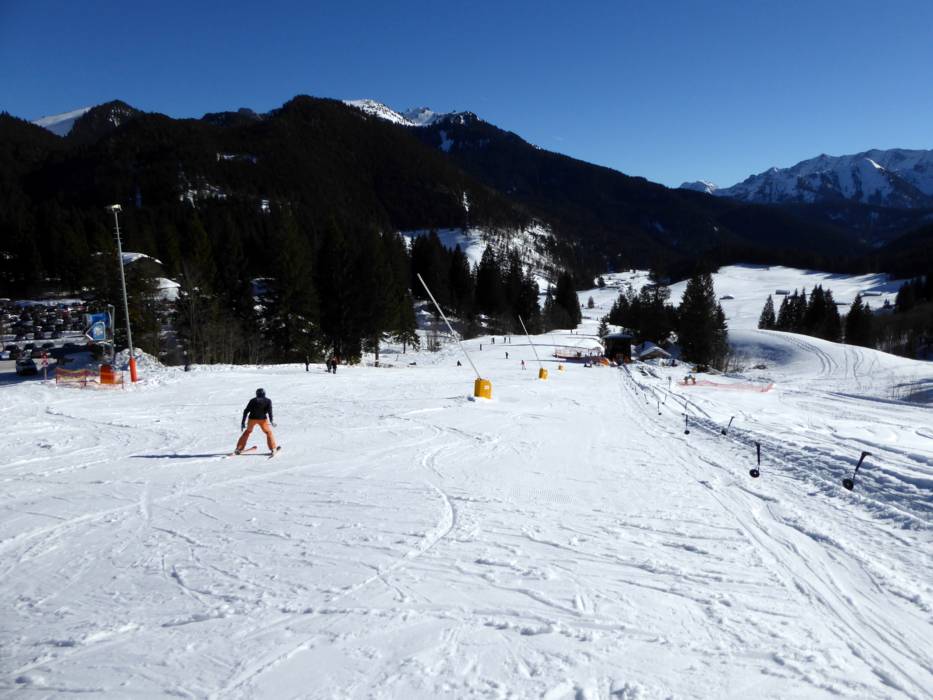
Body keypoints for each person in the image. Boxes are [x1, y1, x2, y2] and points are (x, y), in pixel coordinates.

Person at [236, 388, 277, 454]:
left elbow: (246, 411)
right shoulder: (268, 401)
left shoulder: (253, 400)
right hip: (262, 420)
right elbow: (270, 411)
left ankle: (238, 449)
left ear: (257, 394)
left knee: (247, 432)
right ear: (264, 393)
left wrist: (243, 422)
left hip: (252, 419)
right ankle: (273, 448)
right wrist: (271, 420)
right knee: (268, 432)